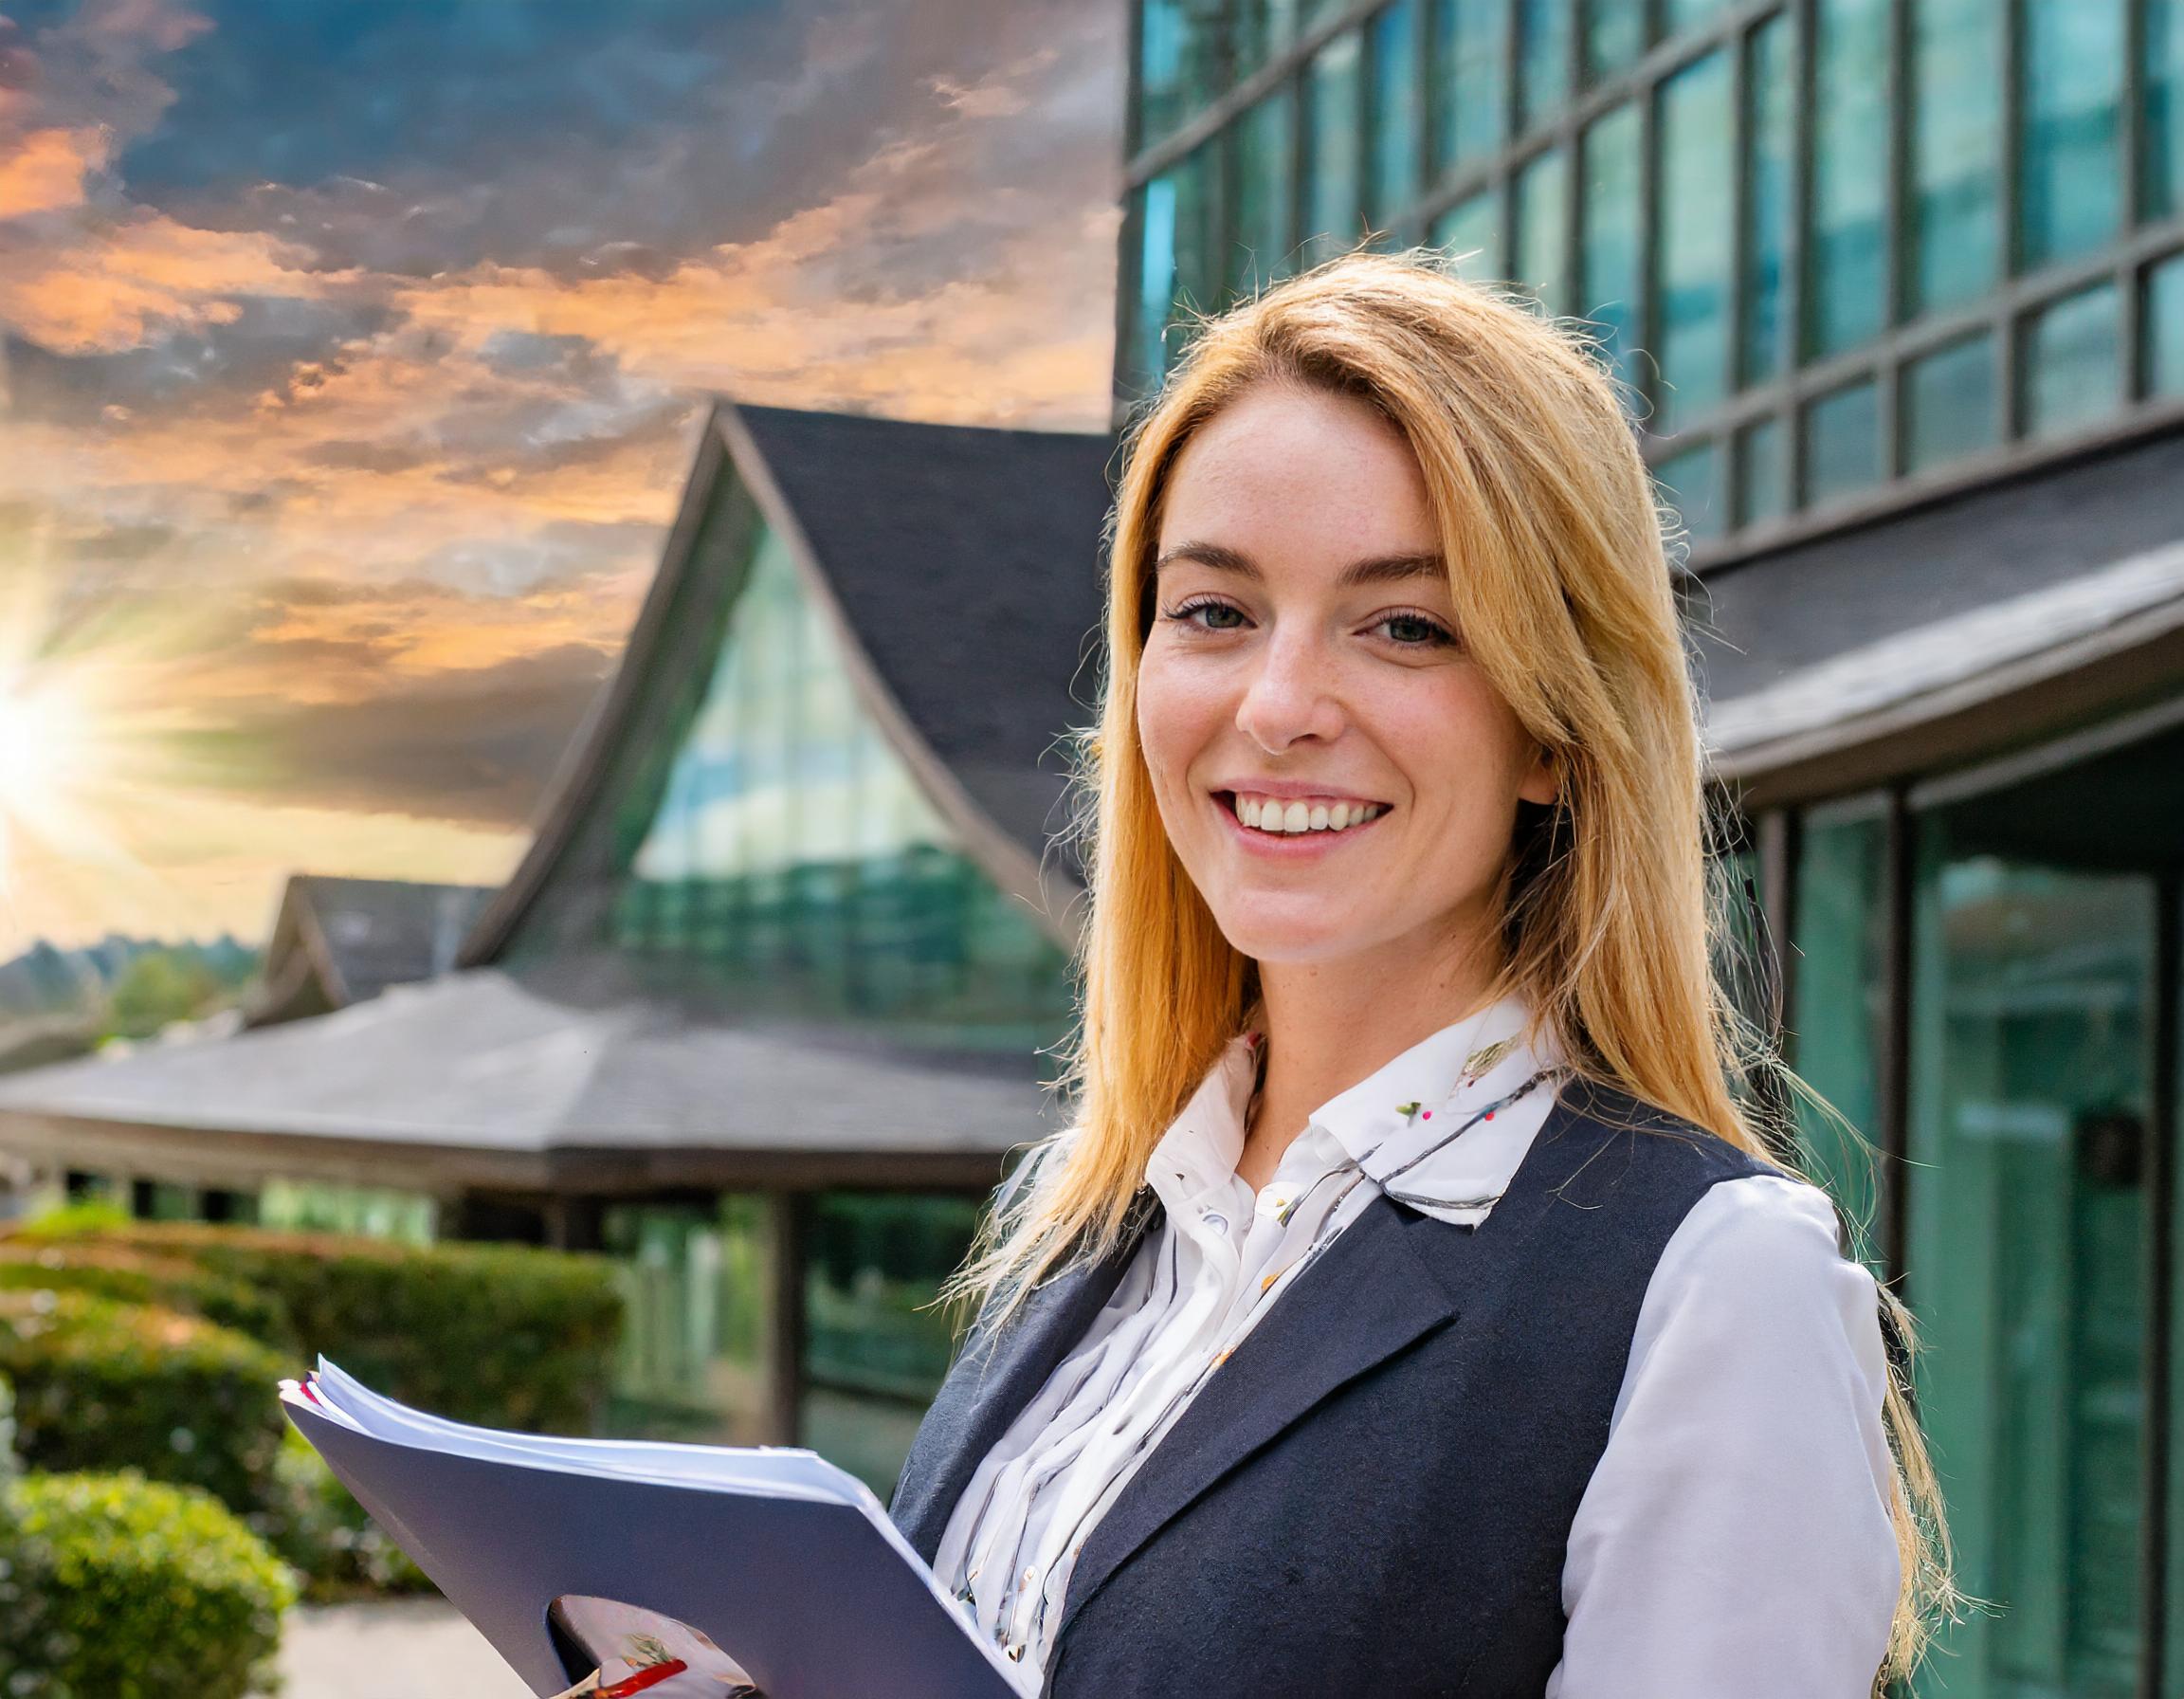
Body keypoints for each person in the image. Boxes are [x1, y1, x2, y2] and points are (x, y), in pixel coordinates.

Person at [887, 248, 1955, 1697]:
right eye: (1213, 611)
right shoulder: (1087, 1213)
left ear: (1555, 730)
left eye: (1407, 626)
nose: (1276, 708)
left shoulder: (1710, 1285)